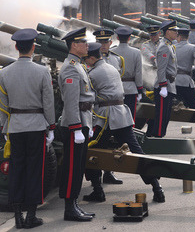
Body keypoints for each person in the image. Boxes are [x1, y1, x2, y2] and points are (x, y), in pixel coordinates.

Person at [82, 43, 165, 204]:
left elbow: (89, 96)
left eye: (87, 59)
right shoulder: (112, 67)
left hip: (106, 117)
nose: (86, 62)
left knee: (91, 151)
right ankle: (157, 188)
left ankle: (98, 191)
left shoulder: (93, 74)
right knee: (137, 152)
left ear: (92, 58)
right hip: (122, 114)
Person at [0, 28, 56, 229]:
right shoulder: (42, 71)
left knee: (16, 170)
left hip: (15, 127)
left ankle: (17, 216)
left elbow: (2, 105)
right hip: (37, 125)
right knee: (34, 170)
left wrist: (5, 128)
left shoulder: (3, 73)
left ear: (16, 47)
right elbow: (48, 102)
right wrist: (51, 126)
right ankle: (31, 215)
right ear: (33, 47)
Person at [58, 27, 96, 222]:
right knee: (72, 168)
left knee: (78, 166)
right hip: (75, 124)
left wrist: (86, 126)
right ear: (74, 45)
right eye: (84, 42)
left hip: (82, 122)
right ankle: (69, 208)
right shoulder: (71, 67)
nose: (87, 45)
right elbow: (72, 102)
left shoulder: (78, 64)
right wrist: (76, 128)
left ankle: (74, 204)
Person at [92, 28, 124, 185]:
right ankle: (96, 180)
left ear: (111, 43)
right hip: (98, 109)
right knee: (98, 143)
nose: (103, 45)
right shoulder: (90, 60)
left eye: (105, 42)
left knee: (115, 142)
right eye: (100, 42)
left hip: (114, 108)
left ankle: (109, 172)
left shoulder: (116, 59)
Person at [148, 20, 178, 137]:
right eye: (174, 30)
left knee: (166, 114)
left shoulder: (169, 45)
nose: (176, 32)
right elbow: (161, 69)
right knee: (161, 115)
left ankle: (160, 135)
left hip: (169, 84)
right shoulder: (164, 47)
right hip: (164, 85)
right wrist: (163, 86)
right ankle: (158, 136)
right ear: (167, 32)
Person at [111, 26, 144, 123]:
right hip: (131, 89)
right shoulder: (136, 52)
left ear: (117, 38)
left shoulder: (112, 51)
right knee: (130, 117)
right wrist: (140, 90)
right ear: (129, 38)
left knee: (116, 117)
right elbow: (138, 73)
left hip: (115, 88)